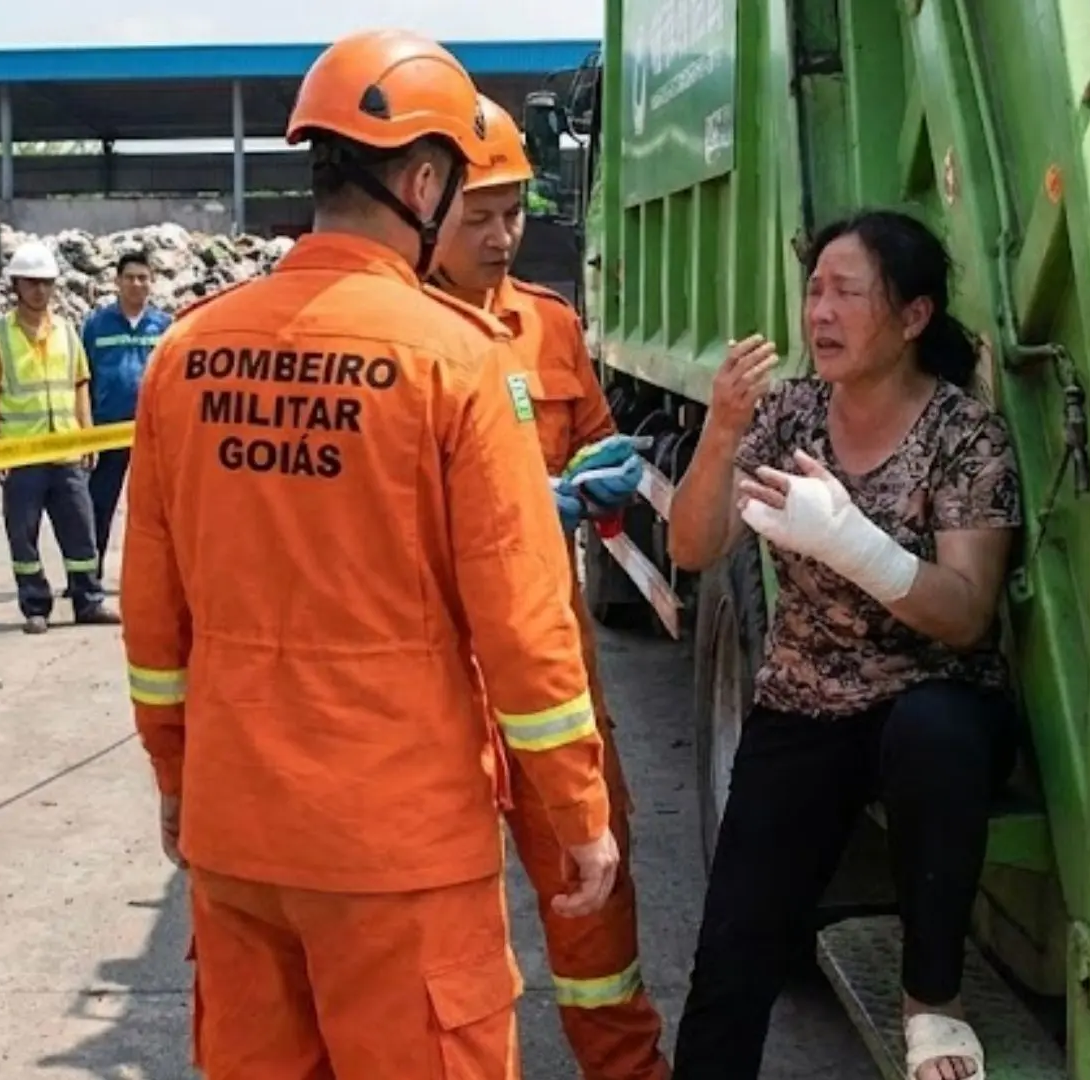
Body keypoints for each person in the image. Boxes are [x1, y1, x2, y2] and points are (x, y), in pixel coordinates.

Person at [119, 30, 621, 1080]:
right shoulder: (456, 359)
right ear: (426, 183)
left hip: (237, 833)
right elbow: (525, 630)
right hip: (401, 849)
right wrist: (577, 810)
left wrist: (176, 775)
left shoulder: (186, 354)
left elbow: (154, 623)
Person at [664, 209, 1023, 1080]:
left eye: (848, 294)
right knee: (733, 954)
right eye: (814, 290)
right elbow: (692, 546)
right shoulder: (788, 415)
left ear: (913, 316)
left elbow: (968, 614)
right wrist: (721, 428)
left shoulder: (965, 436)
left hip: (931, 698)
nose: (820, 312)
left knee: (935, 730)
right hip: (808, 700)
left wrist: (852, 543)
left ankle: (931, 1001)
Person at [431, 95, 670, 1080]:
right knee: (443, 916)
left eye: (514, 213)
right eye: (479, 215)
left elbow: (595, 439)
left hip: (550, 656)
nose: (502, 236)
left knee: (593, 885)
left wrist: (608, 469)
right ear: (423, 205)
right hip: (440, 674)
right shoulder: (401, 339)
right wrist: (529, 501)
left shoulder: (550, 326)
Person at [0, 240, 119, 634]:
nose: (40, 290)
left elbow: (80, 384)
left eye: (46, 283)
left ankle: (88, 600)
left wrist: (87, 436)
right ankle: (35, 606)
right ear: (16, 286)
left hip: (67, 452)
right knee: (24, 536)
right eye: (32, 282)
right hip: (22, 455)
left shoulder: (67, 331)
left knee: (81, 531)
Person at [80, 249, 172, 583]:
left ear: (152, 282)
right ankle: (88, 577)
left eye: (143, 278)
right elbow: (83, 378)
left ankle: (160, 580)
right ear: (117, 282)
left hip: (154, 435)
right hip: (107, 430)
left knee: (157, 509)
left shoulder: (165, 327)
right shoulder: (96, 325)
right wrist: (85, 431)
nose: (136, 284)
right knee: (99, 505)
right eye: (130, 277)